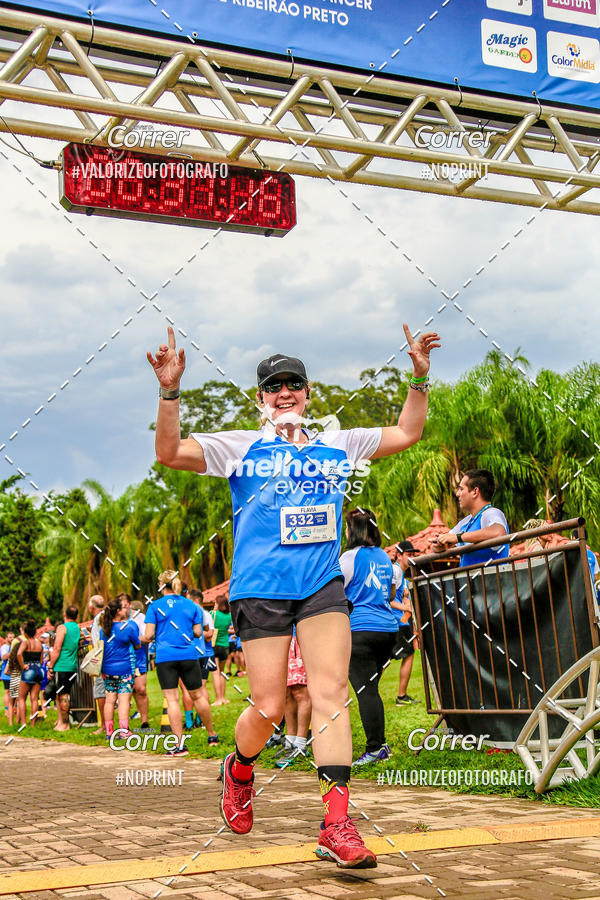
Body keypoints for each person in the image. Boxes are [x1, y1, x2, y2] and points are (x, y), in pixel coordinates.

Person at [147, 322, 439, 868]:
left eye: (294, 385)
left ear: (307, 394)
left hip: (322, 587)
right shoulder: (239, 447)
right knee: (270, 704)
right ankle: (238, 767)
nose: (286, 393)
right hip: (261, 590)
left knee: (330, 695)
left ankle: (337, 825)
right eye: (274, 386)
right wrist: (170, 391)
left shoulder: (338, 442)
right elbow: (168, 452)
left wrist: (419, 377)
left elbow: (406, 433)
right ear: (261, 400)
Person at [340, 508, 397, 766]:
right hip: (388, 630)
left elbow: (335, 593)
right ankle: (378, 744)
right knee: (371, 689)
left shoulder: (349, 558)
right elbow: (392, 593)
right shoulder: (385, 557)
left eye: (347, 527)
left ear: (353, 530)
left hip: (361, 630)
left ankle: (376, 747)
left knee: (366, 691)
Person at [142, 570, 219, 754]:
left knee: (172, 699)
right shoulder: (192, 606)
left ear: (162, 586)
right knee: (198, 695)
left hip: (165, 657)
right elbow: (199, 633)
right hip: (188, 655)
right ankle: (212, 735)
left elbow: (149, 634)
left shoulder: (155, 606)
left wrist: (144, 638)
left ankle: (179, 745)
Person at [432, 469, 509, 566]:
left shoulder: (492, 513)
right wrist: (439, 544)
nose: (457, 494)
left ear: (475, 492)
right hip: (471, 580)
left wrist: (458, 537)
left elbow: (498, 533)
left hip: (492, 580)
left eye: (461, 489)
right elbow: (438, 546)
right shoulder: (465, 522)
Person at [99, 596, 140, 739]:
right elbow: (138, 644)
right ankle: (123, 732)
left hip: (107, 670)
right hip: (125, 669)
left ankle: (109, 732)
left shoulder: (104, 629)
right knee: (123, 701)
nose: (126, 609)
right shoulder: (127, 627)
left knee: (109, 700)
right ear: (118, 611)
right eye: (123, 607)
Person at [388, 540, 419, 706]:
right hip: (396, 621)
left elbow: (401, 595)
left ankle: (368, 688)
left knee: (387, 658)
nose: (412, 558)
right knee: (408, 655)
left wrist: (405, 597)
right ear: (399, 555)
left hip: (398, 621)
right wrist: (406, 607)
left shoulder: (401, 574)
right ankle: (401, 696)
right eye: (409, 554)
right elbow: (387, 599)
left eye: (414, 555)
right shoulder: (395, 571)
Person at [275, 633, 312, 769]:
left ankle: (301, 745)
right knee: (287, 692)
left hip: (301, 636)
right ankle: (290, 741)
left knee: (300, 691)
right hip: (282, 637)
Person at [116, 594, 150, 729]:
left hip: (139, 656)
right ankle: (125, 726)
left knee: (140, 689)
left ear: (130, 604)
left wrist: (132, 638)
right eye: (120, 606)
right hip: (122, 658)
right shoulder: (115, 619)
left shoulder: (139, 618)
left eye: (124, 606)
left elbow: (147, 637)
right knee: (126, 691)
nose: (122, 609)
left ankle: (144, 721)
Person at [48, 606, 81, 732]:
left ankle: (65, 724)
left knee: (63, 695)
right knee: (59, 694)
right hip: (72, 666)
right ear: (76, 616)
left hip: (62, 665)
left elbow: (57, 648)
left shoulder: (62, 628)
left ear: (64, 614)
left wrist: (51, 665)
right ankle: (60, 721)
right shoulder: (77, 628)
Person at [17, 621, 44, 727]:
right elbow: (41, 660)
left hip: (29, 669)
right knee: (34, 698)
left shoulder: (26, 642)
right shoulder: (39, 644)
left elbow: (19, 653)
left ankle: (23, 723)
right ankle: (33, 724)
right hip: (38, 669)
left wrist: (23, 666)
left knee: (21, 698)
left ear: (26, 634)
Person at [88, 595, 107, 734]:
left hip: (101, 657)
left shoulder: (98, 618)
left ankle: (105, 726)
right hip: (113, 657)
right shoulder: (107, 616)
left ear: (91, 607)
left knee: (100, 692)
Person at [211, 596, 232, 706]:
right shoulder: (229, 616)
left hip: (214, 645)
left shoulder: (213, 614)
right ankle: (224, 697)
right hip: (225, 645)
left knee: (215, 672)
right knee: (223, 673)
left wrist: (214, 609)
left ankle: (218, 699)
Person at [1, 631, 15, 717]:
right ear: (6, 638)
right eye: (10, 637)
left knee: (15, 692)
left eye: (13, 637)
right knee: (7, 691)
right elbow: (4, 657)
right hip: (6, 673)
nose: (12, 639)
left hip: (15, 672)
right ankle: (7, 710)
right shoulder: (4, 647)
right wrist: (14, 652)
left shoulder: (14, 646)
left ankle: (14, 709)